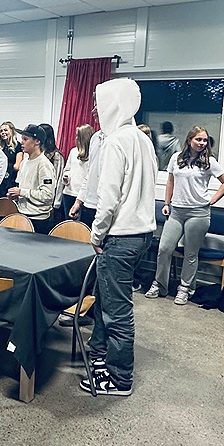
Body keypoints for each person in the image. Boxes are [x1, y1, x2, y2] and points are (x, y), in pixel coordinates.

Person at [82, 78, 157, 396]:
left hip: (120, 236)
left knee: (116, 310)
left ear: (114, 104)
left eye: (99, 103)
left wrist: (96, 234)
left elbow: (108, 198)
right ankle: (101, 355)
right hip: (142, 234)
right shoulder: (142, 139)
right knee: (106, 300)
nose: (95, 110)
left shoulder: (115, 142)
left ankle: (119, 378)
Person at [146, 126, 224, 304]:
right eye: (198, 139)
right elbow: (170, 181)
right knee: (164, 248)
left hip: (198, 213)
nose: (202, 143)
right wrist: (167, 203)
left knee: (190, 253)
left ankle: (185, 288)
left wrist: (212, 199)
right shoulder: (176, 158)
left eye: (205, 140)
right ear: (189, 140)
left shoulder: (209, 161)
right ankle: (160, 285)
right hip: (176, 211)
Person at [6, 124, 57, 234]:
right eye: (22, 139)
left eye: (25, 139)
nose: (22, 142)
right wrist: (16, 195)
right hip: (22, 215)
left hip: (38, 219)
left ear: (37, 142)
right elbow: (21, 188)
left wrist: (22, 192)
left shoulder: (44, 164)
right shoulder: (24, 162)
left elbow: (48, 196)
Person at [69, 119, 104, 228]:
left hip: (102, 206)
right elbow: (89, 176)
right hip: (88, 204)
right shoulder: (96, 138)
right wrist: (78, 202)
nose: (93, 111)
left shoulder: (116, 140)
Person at [61, 124, 94, 220]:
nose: (75, 139)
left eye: (77, 136)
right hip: (68, 193)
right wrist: (66, 177)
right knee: (68, 223)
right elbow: (67, 170)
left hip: (83, 196)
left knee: (81, 224)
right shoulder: (73, 151)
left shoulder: (93, 154)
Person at [39, 123, 65, 224]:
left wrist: (56, 202)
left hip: (50, 200)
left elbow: (59, 180)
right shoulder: (38, 153)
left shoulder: (56, 155)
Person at [0, 121, 22, 200]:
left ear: (12, 131)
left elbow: (17, 166)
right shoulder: (0, 148)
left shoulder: (18, 146)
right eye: (1, 131)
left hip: (11, 181)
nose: (3, 132)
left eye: (5, 130)